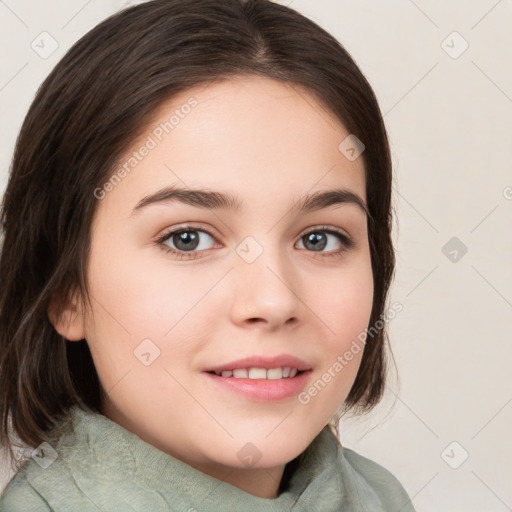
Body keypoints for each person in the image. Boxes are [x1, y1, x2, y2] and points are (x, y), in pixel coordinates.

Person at [0, 0, 416, 510]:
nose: (273, 299)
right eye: (188, 238)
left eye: (319, 238)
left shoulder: (381, 498)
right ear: (64, 288)